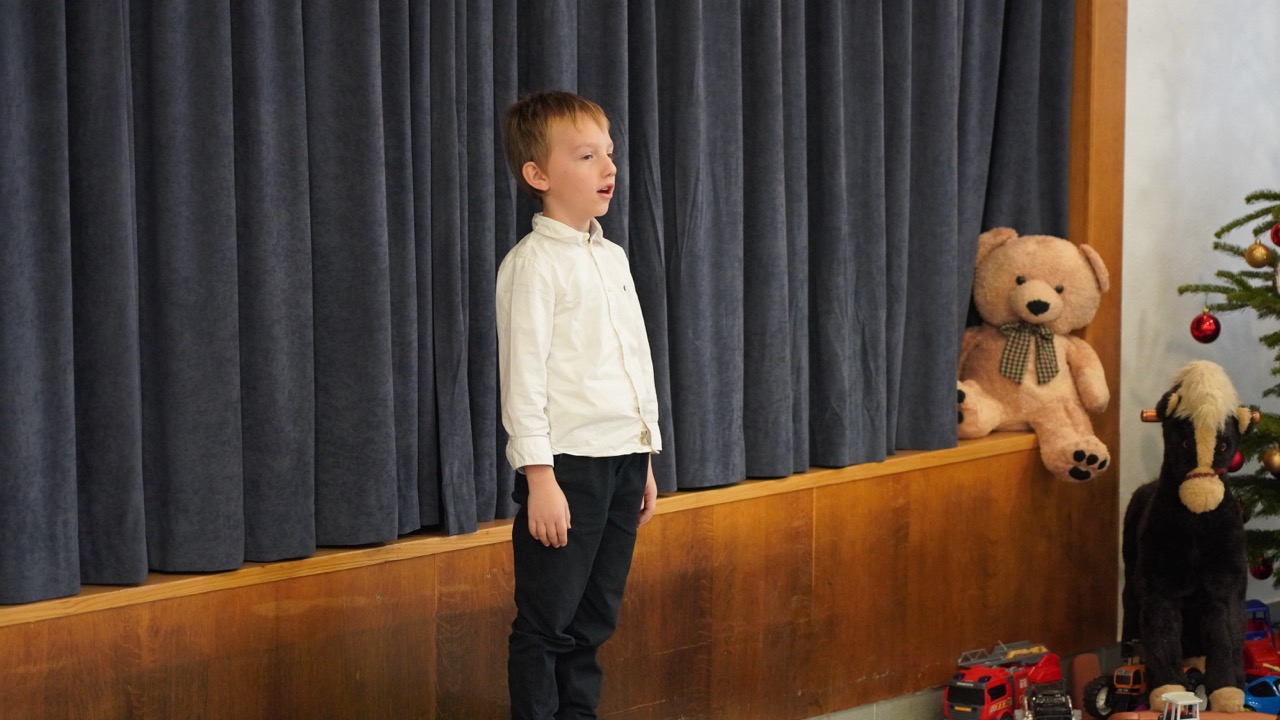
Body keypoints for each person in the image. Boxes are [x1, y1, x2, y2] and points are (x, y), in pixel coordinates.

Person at [496, 90, 662, 720]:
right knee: (549, 622)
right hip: (569, 469)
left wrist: (644, 456)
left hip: (623, 461)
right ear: (538, 175)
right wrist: (540, 478)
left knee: (595, 619)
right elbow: (523, 381)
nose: (608, 168)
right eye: (587, 156)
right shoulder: (532, 266)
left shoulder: (612, 257)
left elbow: (632, 361)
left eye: (609, 154)